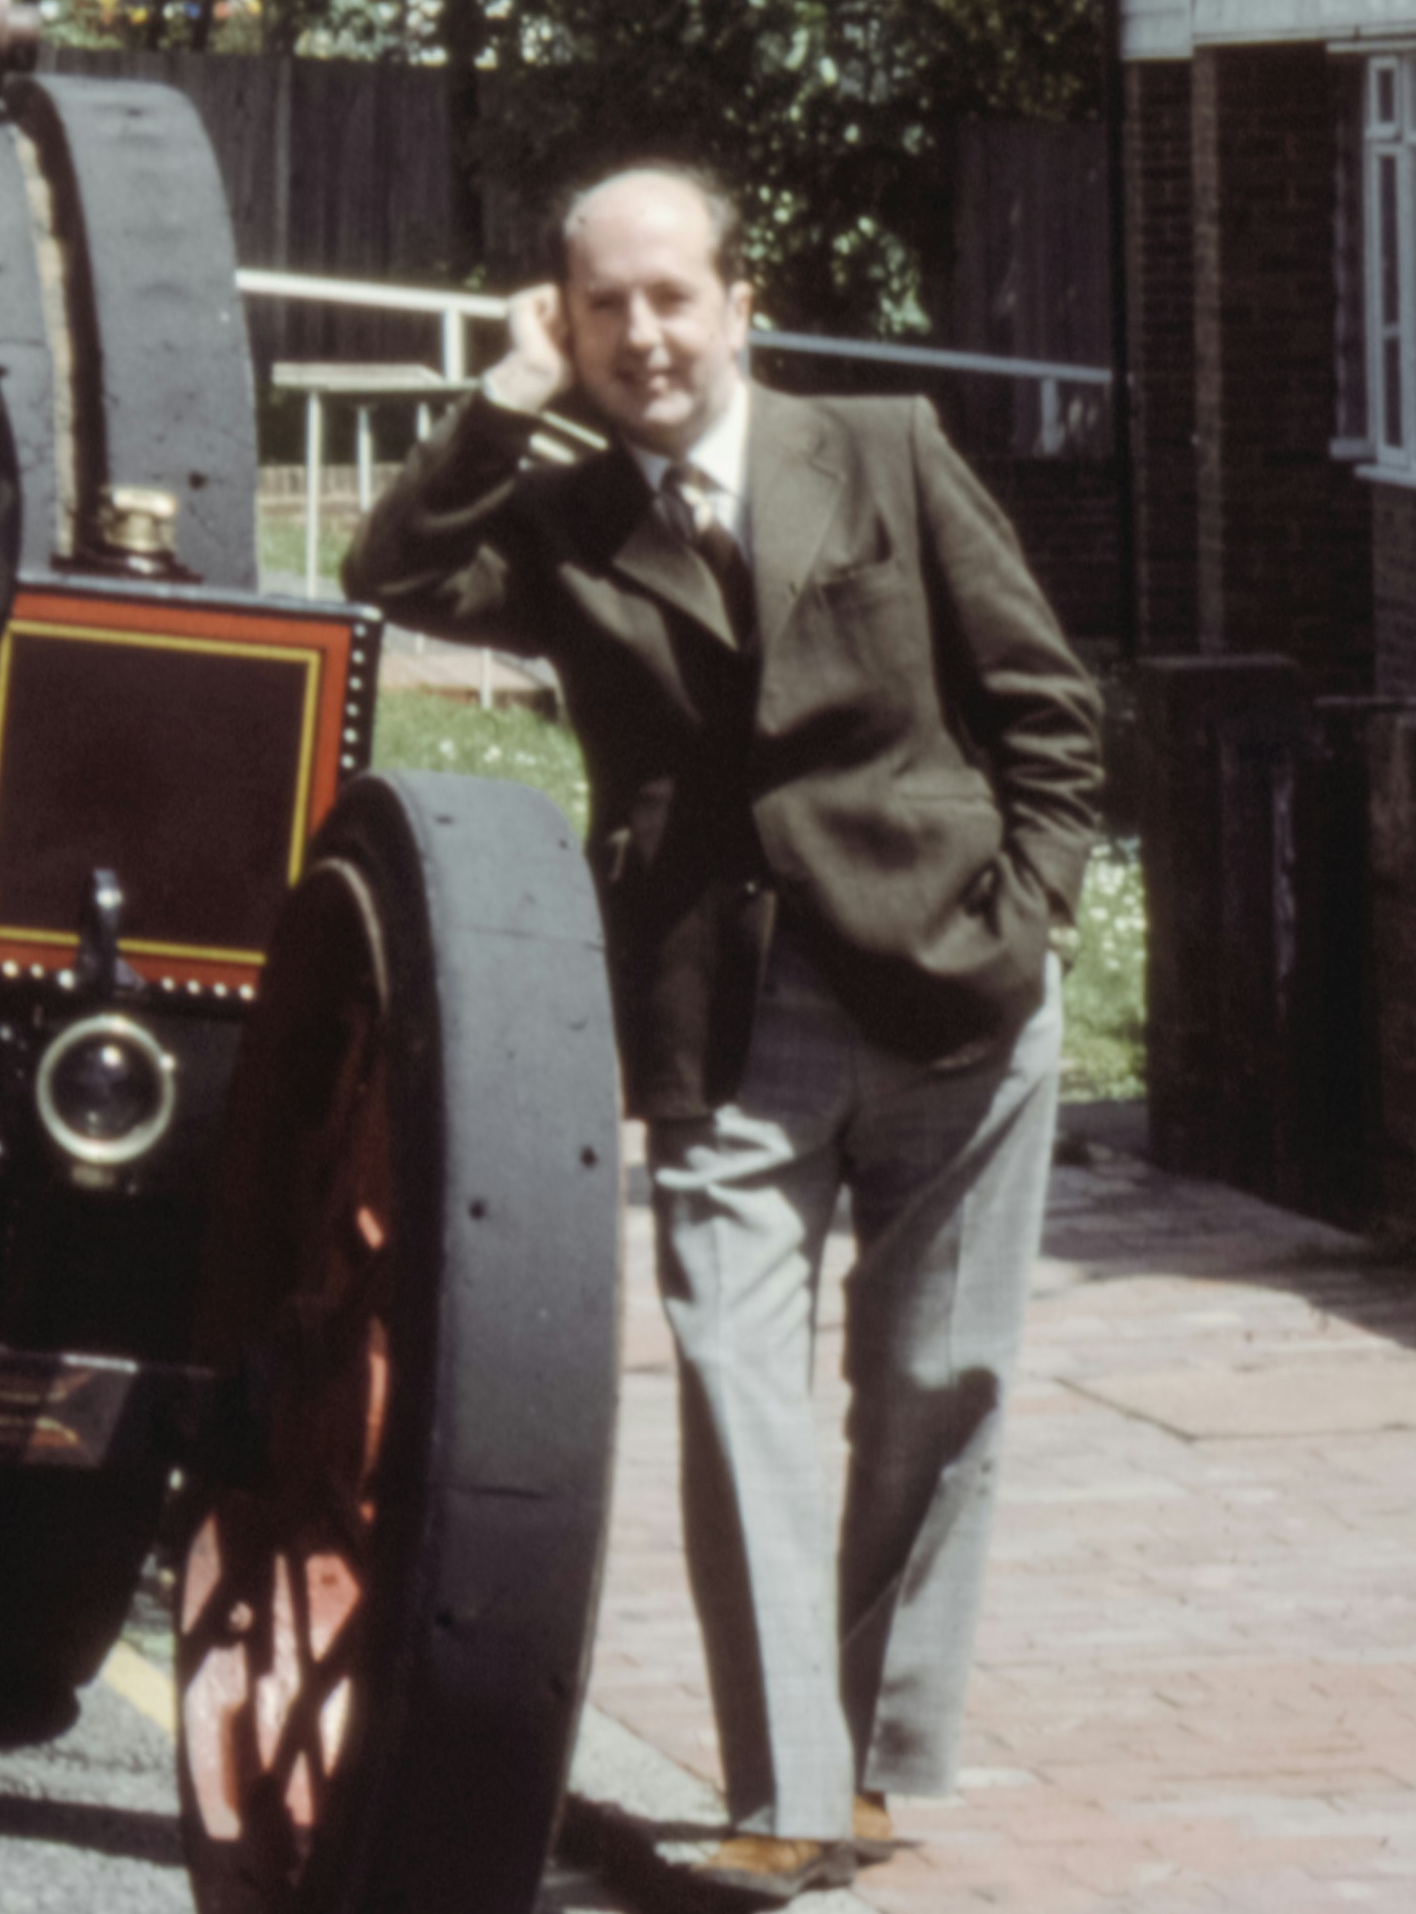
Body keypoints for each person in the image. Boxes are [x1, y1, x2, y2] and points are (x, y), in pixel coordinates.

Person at [346, 166, 1107, 1902]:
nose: (641, 334)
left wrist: (1030, 905)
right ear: (565, 320)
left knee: (934, 1385)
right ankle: (786, 1783)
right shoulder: (556, 525)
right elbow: (389, 570)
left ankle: (881, 1754)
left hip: (955, 993)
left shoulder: (889, 449)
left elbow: (1045, 698)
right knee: (733, 1385)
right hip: (717, 1011)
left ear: (738, 299)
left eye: (670, 295)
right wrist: (503, 401)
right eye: (600, 306)